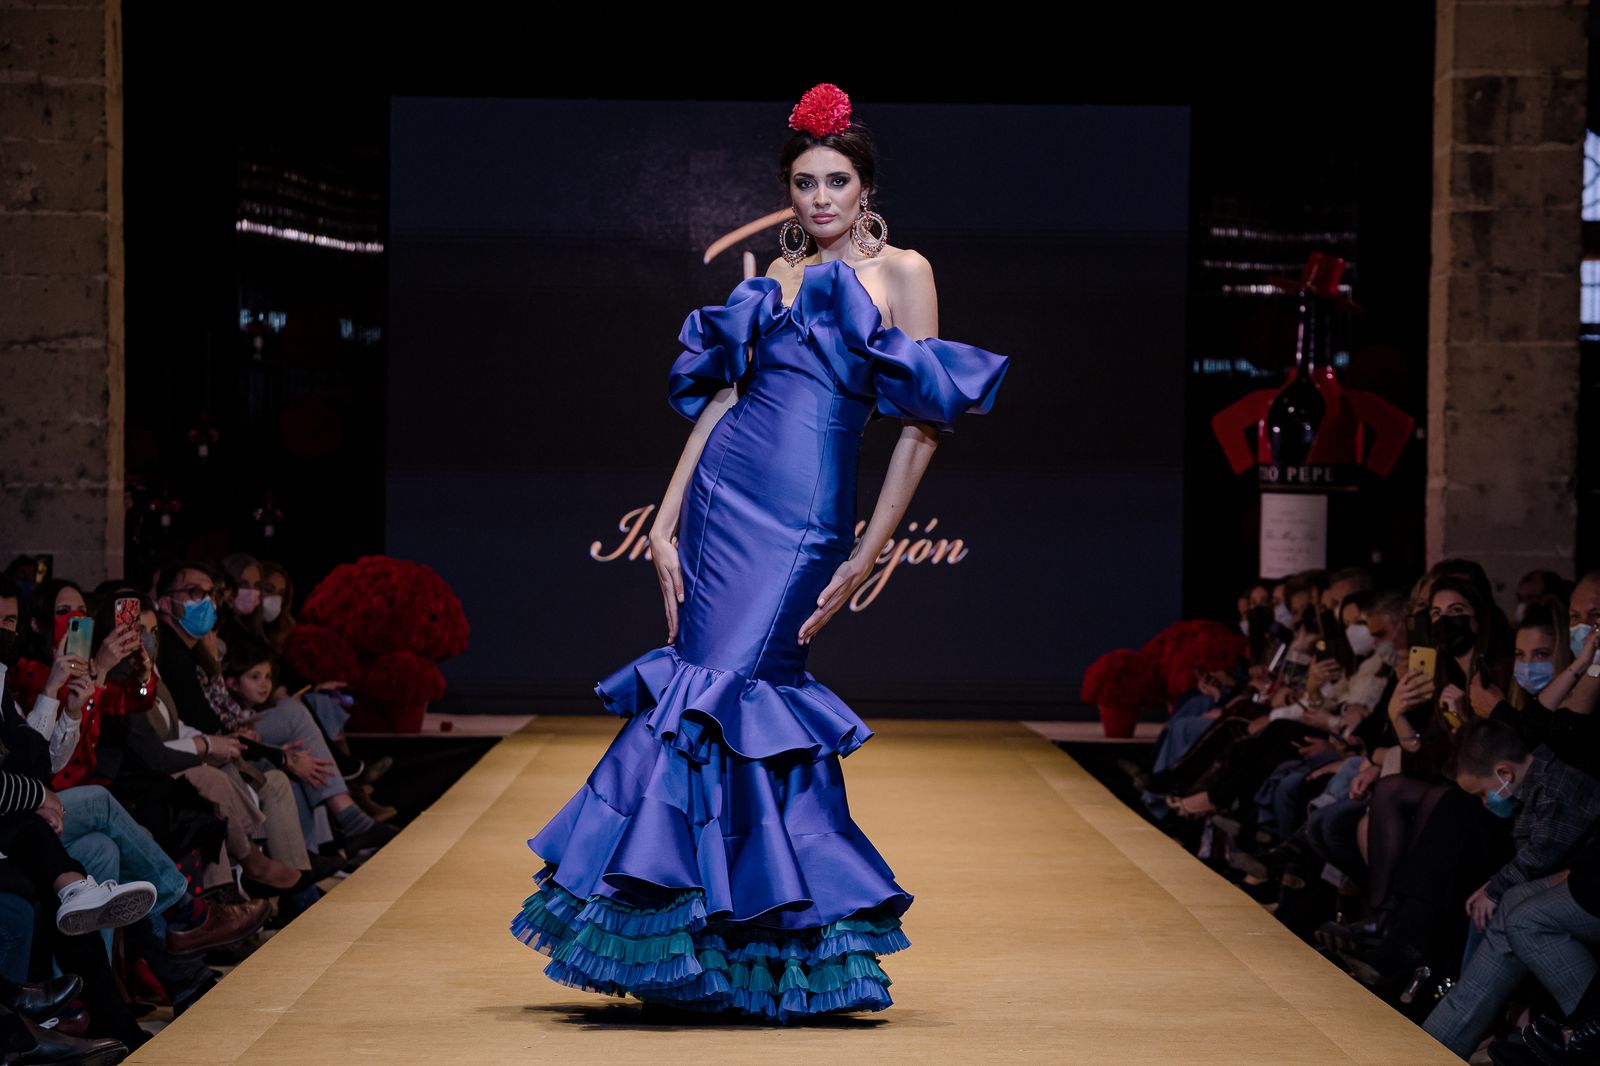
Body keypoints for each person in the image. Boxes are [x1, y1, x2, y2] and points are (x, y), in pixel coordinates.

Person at [508, 82, 1010, 1023]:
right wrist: (664, 518)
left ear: (866, 189)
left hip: (807, 518)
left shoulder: (902, 272)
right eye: (805, 183)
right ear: (790, 193)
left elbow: (923, 426)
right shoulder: (768, 282)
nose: (821, 198)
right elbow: (725, 404)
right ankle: (705, 945)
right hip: (723, 501)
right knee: (700, 703)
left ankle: (764, 933)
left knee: (743, 694)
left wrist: (870, 547)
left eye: (838, 181)